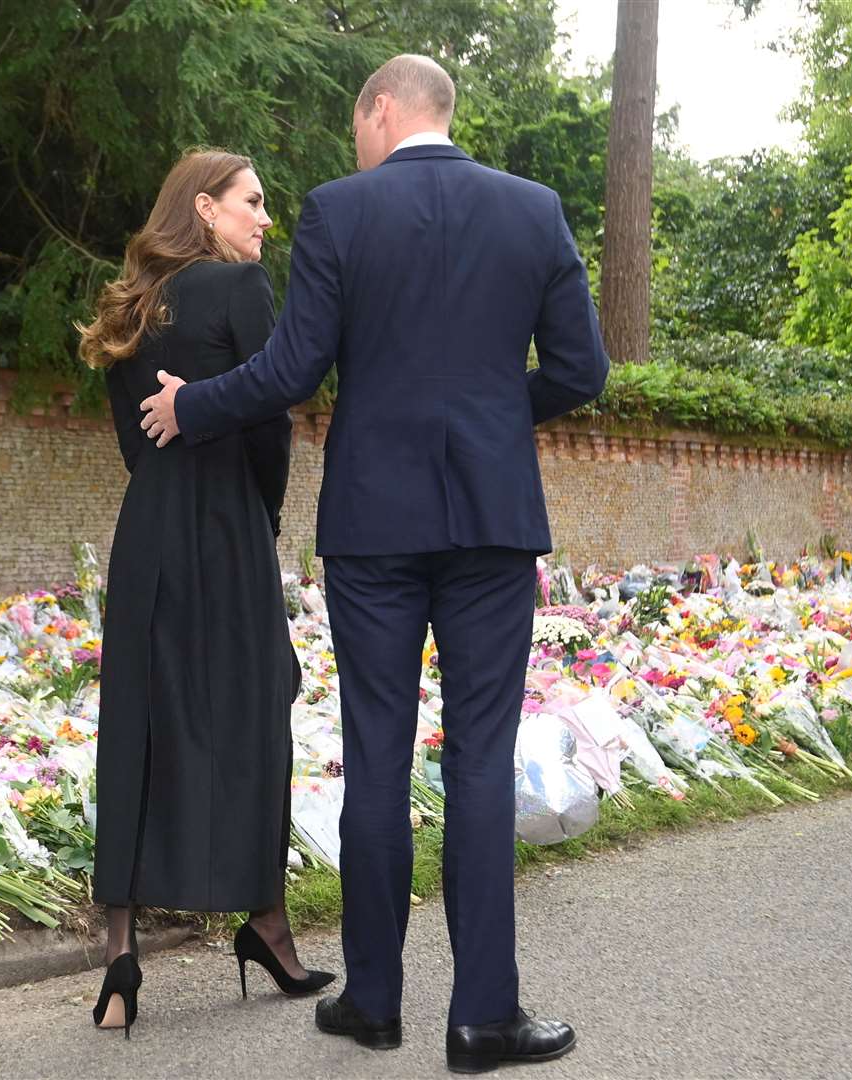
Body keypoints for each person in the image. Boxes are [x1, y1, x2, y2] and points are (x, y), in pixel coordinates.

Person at [138, 56, 609, 1072]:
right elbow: (582, 370)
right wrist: (486, 415)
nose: (355, 147)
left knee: (378, 761)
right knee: (479, 763)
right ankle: (484, 1020)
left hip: (373, 528)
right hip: (489, 524)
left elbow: (291, 370)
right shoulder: (534, 211)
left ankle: (377, 1004)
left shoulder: (342, 212)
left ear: (384, 112)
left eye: (358, 127)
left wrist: (191, 404)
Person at [77, 148, 335, 1040]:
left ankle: (120, 958)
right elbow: (271, 422)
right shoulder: (239, 292)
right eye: (253, 203)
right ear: (206, 208)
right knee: (256, 713)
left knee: (139, 725)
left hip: (147, 530)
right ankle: (265, 925)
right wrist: (260, 518)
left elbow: (131, 444)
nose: (266, 220)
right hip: (225, 530)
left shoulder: (130, 306)